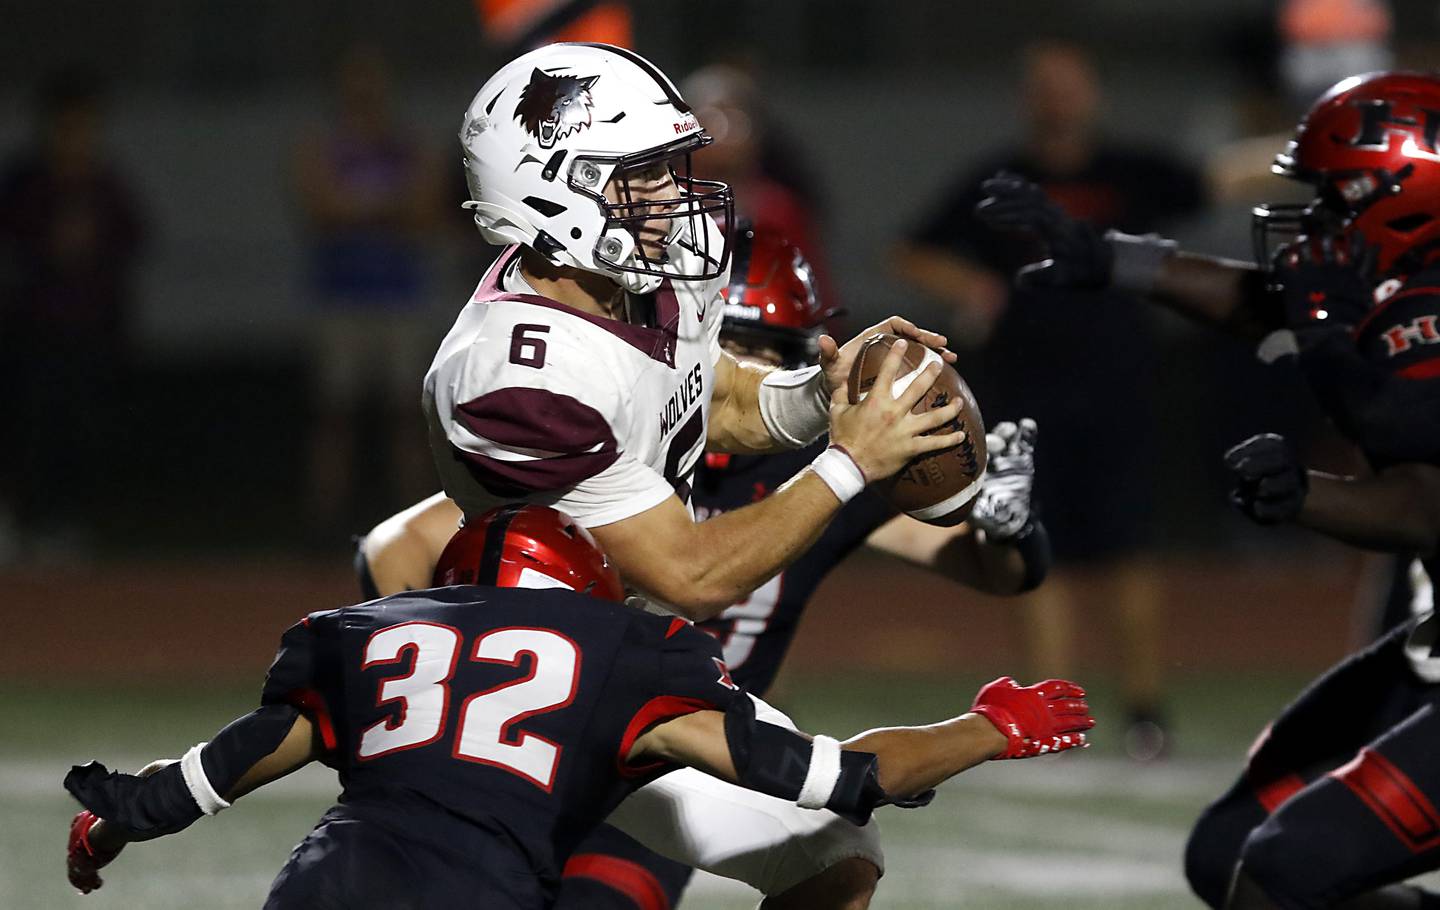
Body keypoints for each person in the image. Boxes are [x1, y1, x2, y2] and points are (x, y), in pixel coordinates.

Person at [361, 224, 1053, 908]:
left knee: (835, 849)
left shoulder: (813, 476)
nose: (746, 366)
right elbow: (400, 546)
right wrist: (447, 680)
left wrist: (1009, 528)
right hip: (557, 729)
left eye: (768, 350)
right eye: (732, 346)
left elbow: (990, 569)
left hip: (698, 743)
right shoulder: (624, 457)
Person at [427, 42, 962, 906]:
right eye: (641, 175)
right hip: (518, 696)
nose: (674, 195)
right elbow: (692, 573)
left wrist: (819, 399)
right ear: (550, 184)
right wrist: (853, 459)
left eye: (670, 169)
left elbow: (705, 393)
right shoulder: (513, 373)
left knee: (831, 847)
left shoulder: (631, 276)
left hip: (618, 653)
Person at [64, 505, 1095, 909]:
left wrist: (113, 815)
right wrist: (987, 728)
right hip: (478, 893)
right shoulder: (625, 647)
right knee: (835, 844)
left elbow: (222, 766)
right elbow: (846, 782)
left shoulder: (355, 629)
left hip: (322, 886)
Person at [974, 70, 1440, 909]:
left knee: (1284, 868)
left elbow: (1424, 504)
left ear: (1400, 193)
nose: (1316, 219)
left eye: (1335, 196)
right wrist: (1106, 256)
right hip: (1431, 647)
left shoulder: (1425, 314)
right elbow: (1266, 301)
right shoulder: (1399, 283)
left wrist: (1307, 495)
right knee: (1225, 853)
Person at [892, 40, 1206, 759]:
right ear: (1027, 98)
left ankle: (1145, 713)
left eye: (1070, 86)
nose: (1059, 99)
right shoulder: (1000, 183)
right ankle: (1049, 716)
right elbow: (910, 248)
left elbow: (1213, 184)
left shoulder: (1135, 173)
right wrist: (971, 288)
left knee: (1127, 555)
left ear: (1093, 94)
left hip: (1120, 390)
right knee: (1034, 555)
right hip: (1027, 394)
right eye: (1046, 87)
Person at [292, 43, 444, 534]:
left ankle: (416, 527)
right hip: (341, 299)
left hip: (400, 297)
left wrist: (355, 208)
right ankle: (323, 526)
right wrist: (386, 209)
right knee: (334, 416)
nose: (363, 92)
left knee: (408, 417)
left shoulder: (408, 145)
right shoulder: (323, 145)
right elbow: (319, 208)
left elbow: (424, 211)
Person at [0, 69, 147, 556]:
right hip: (36, 330)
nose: (76, 136)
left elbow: (134, 237)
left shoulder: (105, 183)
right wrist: (49, 243)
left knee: (83, 429)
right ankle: (21, 520)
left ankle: (68, 525)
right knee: (30, 426)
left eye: (85, 126)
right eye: (67, 125)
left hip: (92, 330)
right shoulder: (27, 182)